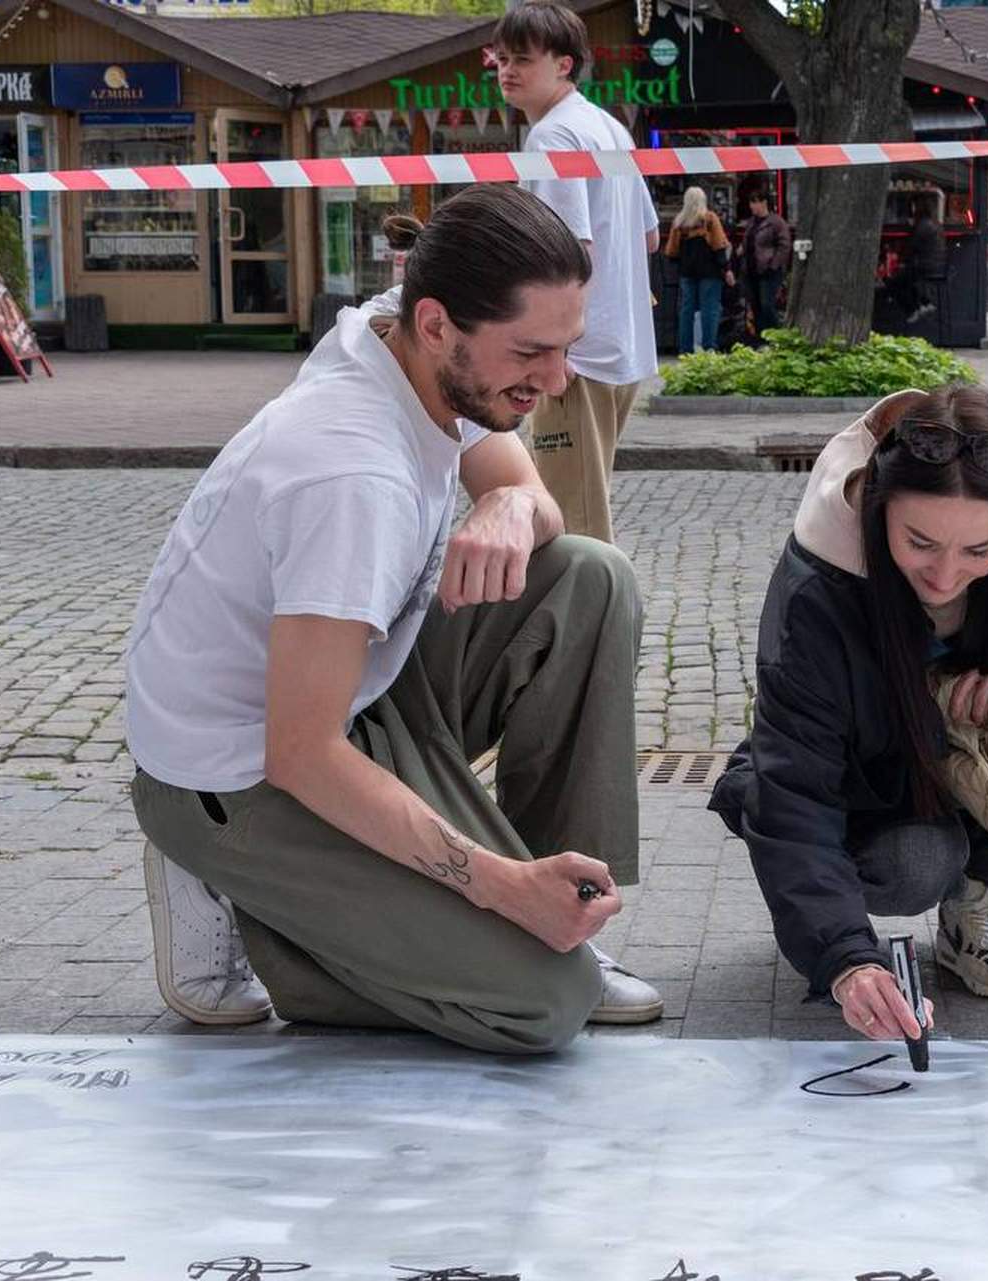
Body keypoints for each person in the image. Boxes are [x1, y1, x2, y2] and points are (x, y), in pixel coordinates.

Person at [124, 183, 664, 1053]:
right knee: (543, 1005)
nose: (558, 382)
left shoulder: (397, 331)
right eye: (533, 352)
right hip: (237, 773)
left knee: (587, 579)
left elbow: (531, 496)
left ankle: (569, 910)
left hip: (349, 691)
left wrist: (508, 508)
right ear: (441, 324)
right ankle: (253, 902)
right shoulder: (349, 476)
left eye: (566, 349)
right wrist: (489, 883)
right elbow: (300, 753)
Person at [710, 386, 988, 1039]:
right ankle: (914, 879)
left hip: (978, 736)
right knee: (917, 864)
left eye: (979, 551)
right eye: (920, 542)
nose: (946, 576)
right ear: (877, 507)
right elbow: (794, 795)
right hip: (875, 780)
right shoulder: (815, 590)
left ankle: (986, 897)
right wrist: (846, 959)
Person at [496, 0, 659, 544]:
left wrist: (548, 351)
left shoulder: (554, 137)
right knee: (580, 503)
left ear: (564, 64)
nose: (507, 71)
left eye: (522, 59)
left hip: (575, 355)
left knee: (572, 522)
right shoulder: (607, 127)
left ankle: (590, 628)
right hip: (620, 345)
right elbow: (650, 235)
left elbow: (563, 255)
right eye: (501, 59)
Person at [663, 186, 733, 354]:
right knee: (709, 309)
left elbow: (671, 252)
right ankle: (709, 346)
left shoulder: (679, 223)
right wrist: (726, 269)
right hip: (710, 272)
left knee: (687, 310)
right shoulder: (709, 219)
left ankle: (685, 349)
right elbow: (719, 245)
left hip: (687, 272)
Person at [739, 188, 791, 336]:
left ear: (764, 203)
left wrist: (774, 265)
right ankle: (762, 336)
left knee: (767, 304)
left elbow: (784, 245)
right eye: (751, 203)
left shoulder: (776, 222)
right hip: (751, 269)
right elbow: (749, 241)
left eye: (755, 202)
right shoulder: (751, 223)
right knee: (755, 306)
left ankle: (776, 335)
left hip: (768, 270)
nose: (752, 206)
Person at [891, 196, 947, 324]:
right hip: (936, 265)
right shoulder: (935, 224)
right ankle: (925, 302)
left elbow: (912, 247)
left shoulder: (923, 226)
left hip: (924, 266)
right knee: (908, 279)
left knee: (894, 282)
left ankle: (913, 309)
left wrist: (900, 261)